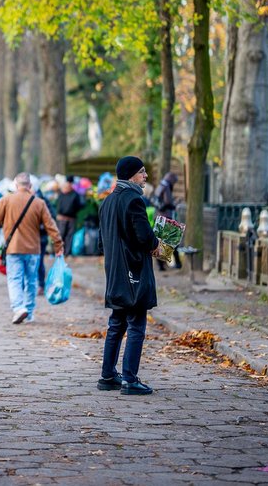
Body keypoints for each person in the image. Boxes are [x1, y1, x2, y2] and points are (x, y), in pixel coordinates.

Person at [96, 156, 162, 396]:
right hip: (133, 270)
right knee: (136, 325)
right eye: (142, 172)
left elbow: (101, 243)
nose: (145, 177)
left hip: (114, 271)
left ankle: (108, 375)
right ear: (132, 175)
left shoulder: (108, 201)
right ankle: (130, 379)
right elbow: (144, 237)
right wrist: (159, 244)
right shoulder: (134, 200)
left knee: (116, 324)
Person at [0, 172, 64, 324]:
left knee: (14, 279)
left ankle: (19, 308)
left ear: (15, 185)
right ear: (30, 186)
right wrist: (58, 244)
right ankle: (29, 312)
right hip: (33, 250)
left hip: (13, 248)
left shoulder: (6, 200)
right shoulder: (39, 203)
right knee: (31, 281)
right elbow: (51, 226)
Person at [153, 171, 182, 270]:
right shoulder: (166, 187)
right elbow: (168, 202)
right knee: (172, 241)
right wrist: (175, 204)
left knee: (161, 242)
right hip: (166, 218)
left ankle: (161, 265)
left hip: (159, 217)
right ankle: (177, 264)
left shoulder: (160, 186)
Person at [55, 178, 84, 257]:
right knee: (64, 236)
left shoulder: (71, 194)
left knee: (66, 236)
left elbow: (80, 205)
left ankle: (64, 253)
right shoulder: (68, 194)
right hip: (65, 219)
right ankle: (62, 253)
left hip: (67, 218)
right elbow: (79, 205)